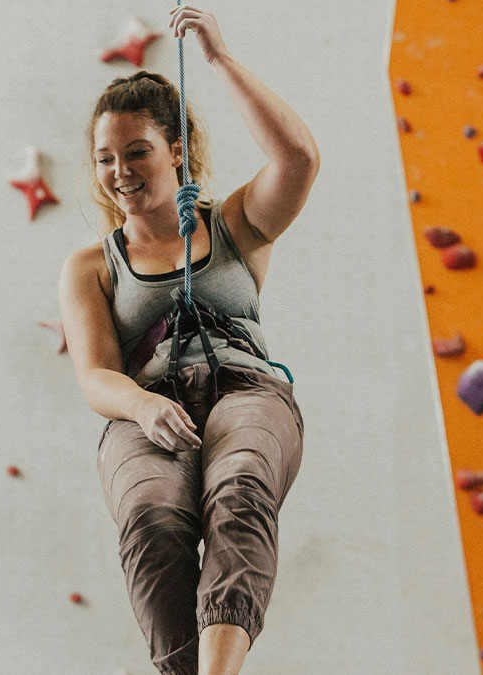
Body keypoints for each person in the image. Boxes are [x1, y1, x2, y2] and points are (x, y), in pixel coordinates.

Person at [57, 6, 318, 675]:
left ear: (175, 149)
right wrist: (143, 407)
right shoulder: (91, 265)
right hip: (145, 403)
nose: (119, 171)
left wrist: (218, 59)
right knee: (151, 521)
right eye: (105, 158)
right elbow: (95, 375)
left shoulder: (234, 223)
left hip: (246, 390)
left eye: (136, 151)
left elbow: (298, 157)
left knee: (240, 486)